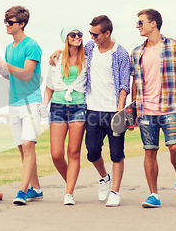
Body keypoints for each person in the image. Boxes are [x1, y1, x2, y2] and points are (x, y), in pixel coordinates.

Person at [50, 15, 131, 207]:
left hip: (113, 110)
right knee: (92, 153)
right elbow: (71, 51)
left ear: (107, 33)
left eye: (95, 34)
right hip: (92, 109)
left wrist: (121, 107)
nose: (91, 37)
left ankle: (115, 192)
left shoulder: (120, 53)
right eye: (90, 34)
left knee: (116, 153)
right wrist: (55, 52)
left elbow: (124, 84)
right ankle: (104, 177)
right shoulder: (90, 49)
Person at [130, 8, 176, 208]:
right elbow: (135, 83)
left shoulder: (174, 45)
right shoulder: (137, 52)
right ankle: (154, 194)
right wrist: (132, 110)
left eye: (140, 22)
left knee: (175, 147)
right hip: (146, 110)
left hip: (170, 106)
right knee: (149, 151)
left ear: (153, 23)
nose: (138, 26)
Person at [0, 5, 43, 205]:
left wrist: (5, 65)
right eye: (5, 21)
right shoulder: (8, 48)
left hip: (30, 102)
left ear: (21, 24)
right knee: (23, 149)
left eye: (11, 22)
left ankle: (22, 192)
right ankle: (36, 189)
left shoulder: (32, 45)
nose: (7, 25)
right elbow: (11, 75)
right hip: (13, 103)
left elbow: (26, 74)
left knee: (28, 146)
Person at [43, 27, 87, 205]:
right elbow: (49, 86)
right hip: (58, 108)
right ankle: (71, 181)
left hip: (79, 108)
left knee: (73, 152)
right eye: (73, 35)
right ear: (66, 38)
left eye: (80, 35)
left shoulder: (87, 57)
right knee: (56, 154)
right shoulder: (57, 59)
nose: (77, 37)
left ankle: (69, 193)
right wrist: (42, 105)